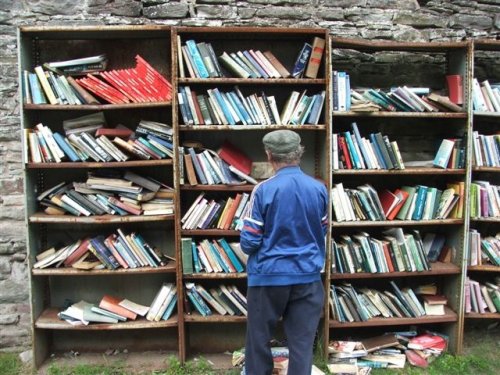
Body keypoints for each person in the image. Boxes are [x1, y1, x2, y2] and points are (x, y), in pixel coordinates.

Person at [240, 129, 328, 375]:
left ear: (269, 155)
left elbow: (249, 241)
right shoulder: (319, 189)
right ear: (299, 153)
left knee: (258, 339)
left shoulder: (263, 190)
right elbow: (322, 230)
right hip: (308, 277)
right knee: (301, 342)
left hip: (268, 278)